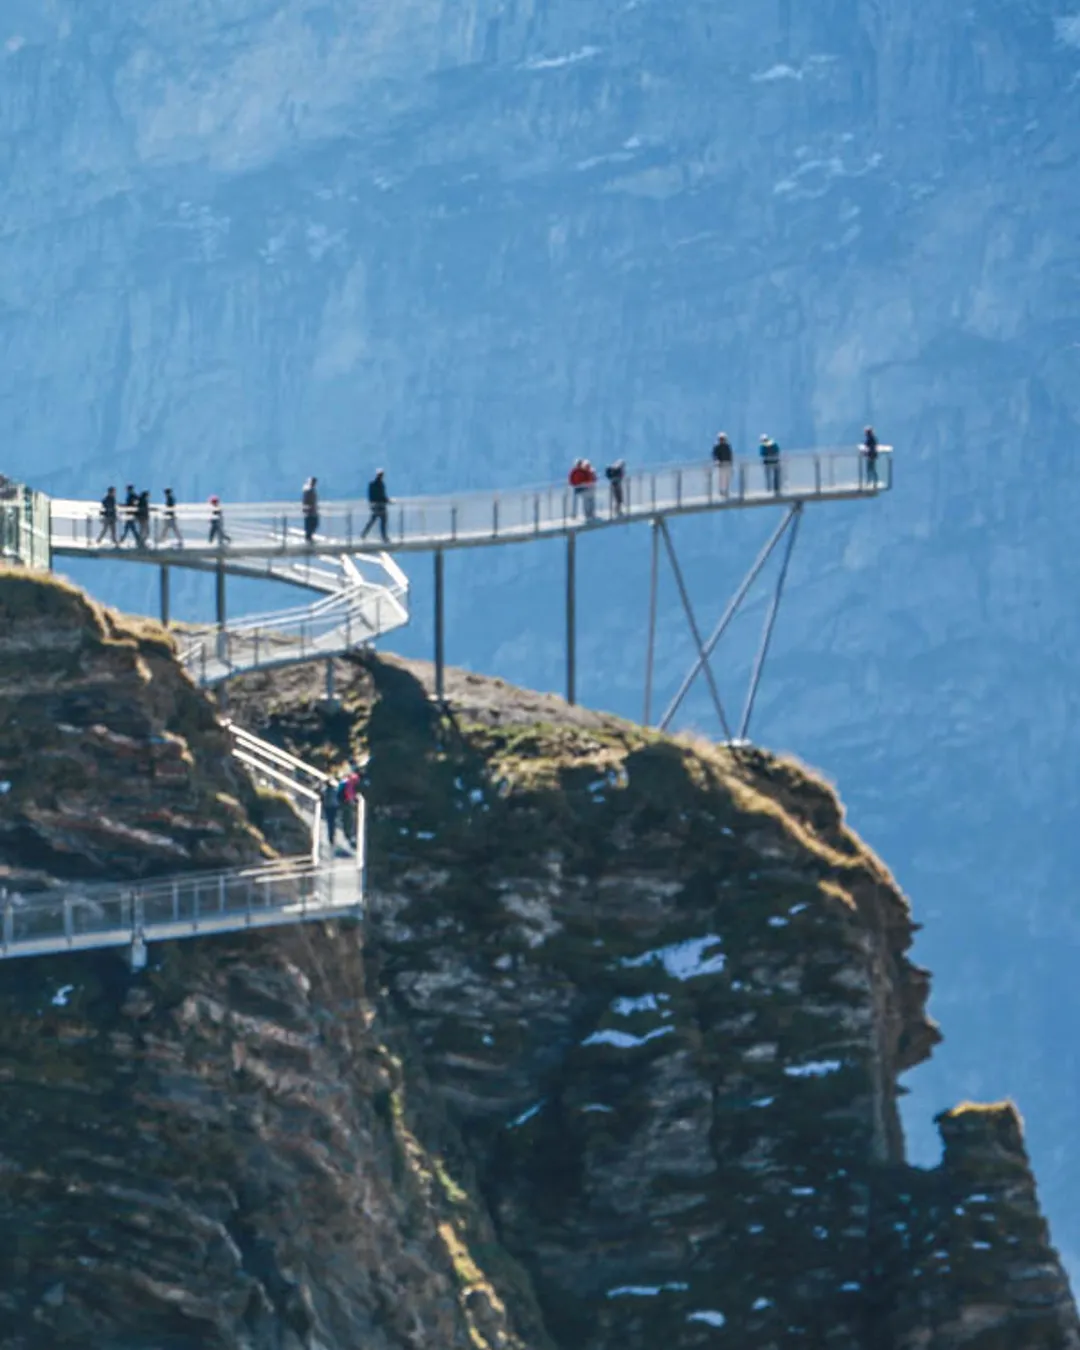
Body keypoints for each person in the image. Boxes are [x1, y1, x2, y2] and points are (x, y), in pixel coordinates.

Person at [361, 470, 390, 543]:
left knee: (372, 521)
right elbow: (382, 496)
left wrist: (372, 504)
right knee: (383, 522)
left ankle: (364, 534)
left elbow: (371, 496)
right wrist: (388, 501)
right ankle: (384, 537)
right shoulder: (381, 484)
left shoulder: (372, 484)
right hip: (381, 506)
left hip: (375, 506)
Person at [322, 777, 339, 847]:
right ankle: (332, 836)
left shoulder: (325, 790)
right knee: (333, 822)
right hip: (334, 806)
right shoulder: (335, 790)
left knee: (330, 822)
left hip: (328, 807)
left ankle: (331, 837)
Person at [302, 476, 319, 544]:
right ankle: (308, 538)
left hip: (313, 511)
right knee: (310, 525)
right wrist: (306, 508)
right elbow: (305, 501)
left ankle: (309, 537)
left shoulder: (311, 490)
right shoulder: (308, 490)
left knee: (313, 524)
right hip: (309, 511)